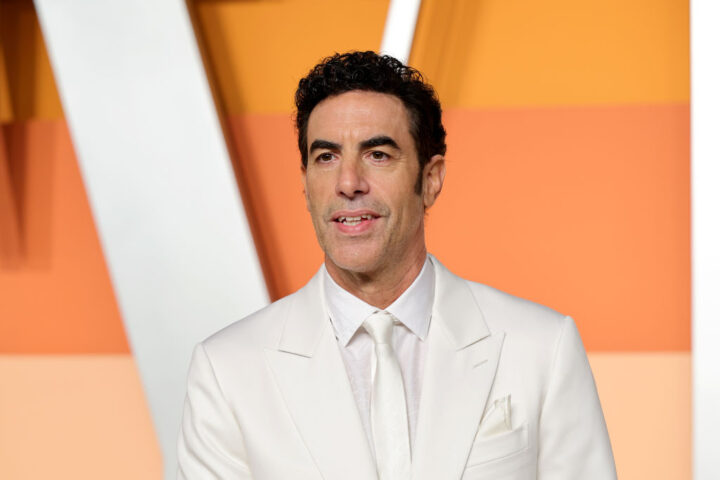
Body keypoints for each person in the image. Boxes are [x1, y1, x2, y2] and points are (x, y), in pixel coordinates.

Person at [177, 51, 617, 480]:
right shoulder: (227, 370)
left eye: (378, 155)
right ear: (306, 186)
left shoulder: (541, 346)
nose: (348, 183)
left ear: (431, 179)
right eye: (326, 157)